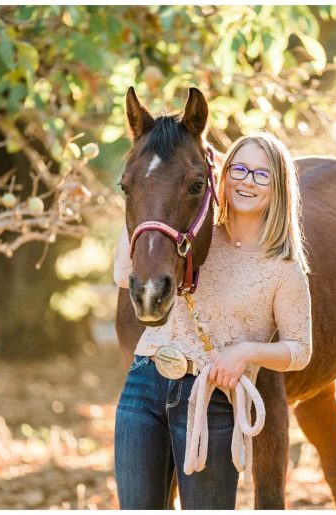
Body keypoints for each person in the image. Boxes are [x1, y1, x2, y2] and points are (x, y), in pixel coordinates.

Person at [112, 132, 312, 509]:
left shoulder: (284, 270)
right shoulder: (192, 238)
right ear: (222, 174)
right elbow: (125, 274)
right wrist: (141, 197)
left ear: (279, 187)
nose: (246, 181)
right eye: (239, 168)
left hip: (212, 401)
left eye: (261, 174)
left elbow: (300, 350)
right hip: (144, 384)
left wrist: (246, 353)